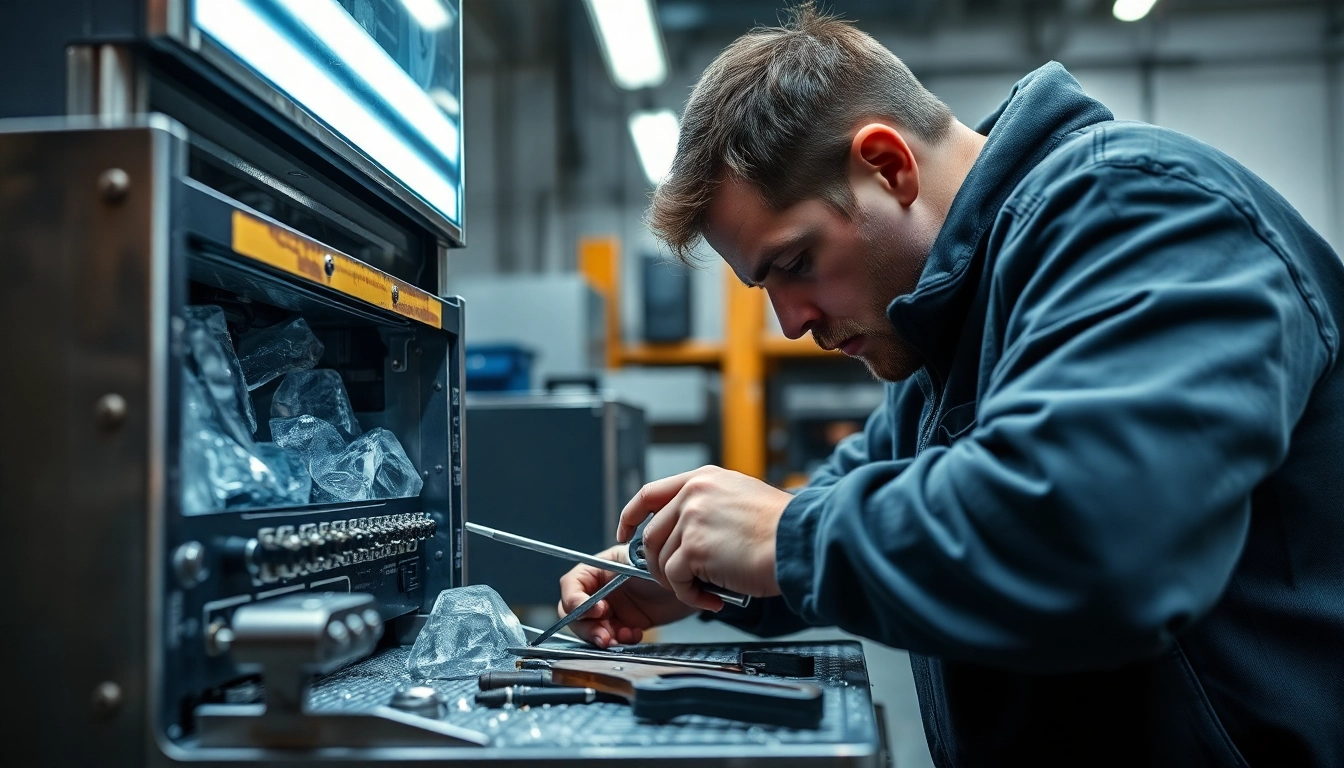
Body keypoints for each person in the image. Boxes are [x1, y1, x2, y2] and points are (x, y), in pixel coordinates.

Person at [557, 4, 1344, 765]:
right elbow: (856, 501)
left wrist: (782, 539)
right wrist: (685, 572)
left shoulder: (1139, 209)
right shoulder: (941, 335)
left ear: (888, 164)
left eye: (793, 264)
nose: (791, 323)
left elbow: (1096, 542)